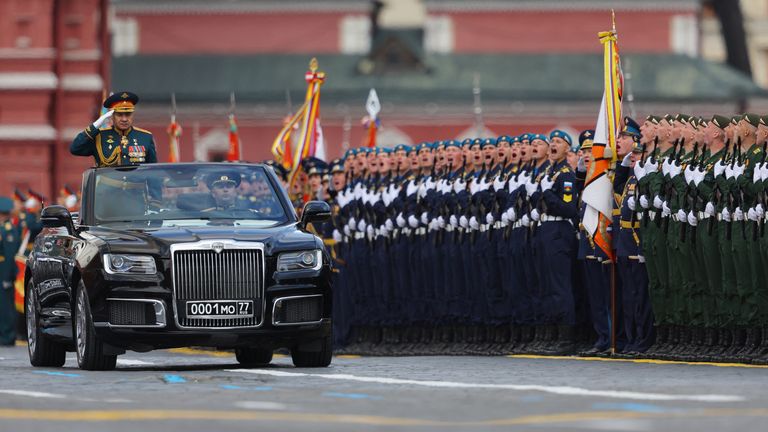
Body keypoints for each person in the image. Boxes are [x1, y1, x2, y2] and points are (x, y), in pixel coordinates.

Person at [70, 91, 157, 167]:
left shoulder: (145, 137)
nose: (124, 119)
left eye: (128, 114)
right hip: (108, 186)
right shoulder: (100, 136)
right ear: (112, 116)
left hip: (136, 186)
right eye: (119, 114)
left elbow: (153, 170)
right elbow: (75, 148)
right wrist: (96, 125)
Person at [0, 197, 21, 346]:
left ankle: (8, 335)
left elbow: (9, 256)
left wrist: (7, 277)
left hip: (4, 273)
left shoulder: (8, 231)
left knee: (5, 306)